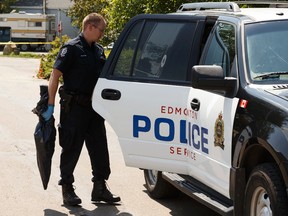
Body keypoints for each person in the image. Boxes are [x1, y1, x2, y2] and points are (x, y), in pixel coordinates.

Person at [41, 13, 120, 206]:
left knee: (100, 149)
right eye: (101, 30)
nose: (102, 34)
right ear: (90, 27)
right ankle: (67, 189)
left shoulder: (98, 51)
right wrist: (50, 106)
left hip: (94, 109)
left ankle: (99, 188)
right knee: (71, 148)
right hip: (74, 108)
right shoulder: (71, 49)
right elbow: (54, 76)